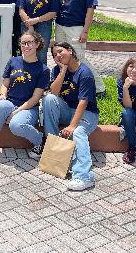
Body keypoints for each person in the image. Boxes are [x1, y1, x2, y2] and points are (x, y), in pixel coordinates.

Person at [0, 31, 49, 160]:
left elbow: (35, 98)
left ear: (37, 44)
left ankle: (40, 141)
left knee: (16, 125)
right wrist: (2, 95)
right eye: (23, 43)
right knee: (0, 105)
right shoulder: (13, 61)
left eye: (29, 43)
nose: (26, 46)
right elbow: (5, 85)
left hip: (28, 108)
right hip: (10, 102)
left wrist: (14, 113)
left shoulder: (43, 70)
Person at [42, 42, 99, 191]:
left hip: (87, 113)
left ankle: (84, 177)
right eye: (55, 55)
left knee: (79, 132)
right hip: (67, 110)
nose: (58, 56)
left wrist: (73, 125)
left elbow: (83, 102)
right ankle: (55, 153)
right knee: (48, 99)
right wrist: (63, 70)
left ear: (70, 50)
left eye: (60, 51)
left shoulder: (84, 73)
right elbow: (54, 92)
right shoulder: (57, 70)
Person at [54, 0, 105, 95]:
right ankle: (66, 86)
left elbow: (90, 10)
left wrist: (85, 31)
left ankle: (99, 88)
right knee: (62, 58)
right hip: (59, 26)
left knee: (78, 58)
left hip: (76, 28)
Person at [18, 0, 59, 65]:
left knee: (41, 54)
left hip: (44, 26)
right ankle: (27, 77)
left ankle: (42, 78)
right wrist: (30, 25)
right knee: (27, 53)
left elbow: (53, 12)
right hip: (27, 25)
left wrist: (36, 20)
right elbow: (21, 10)